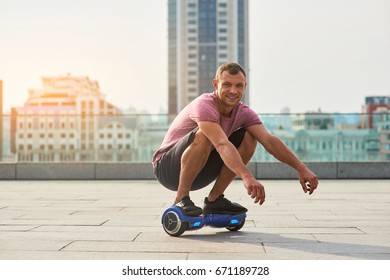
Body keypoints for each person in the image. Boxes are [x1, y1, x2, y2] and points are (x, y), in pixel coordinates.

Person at [152, 62, 318, 217]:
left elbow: (269, 140)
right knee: (206, 135)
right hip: (168, 169)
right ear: (216, 85)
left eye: (238, 85)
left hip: (201, 169)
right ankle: (181, 199)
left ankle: (214, 201)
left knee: (251, 136)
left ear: (244, 87)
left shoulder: (244, 112)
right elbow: (221, 144)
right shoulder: (204, 104)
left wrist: (301, 168)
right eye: (227, 84)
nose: (233, 91)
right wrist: (247, 177)